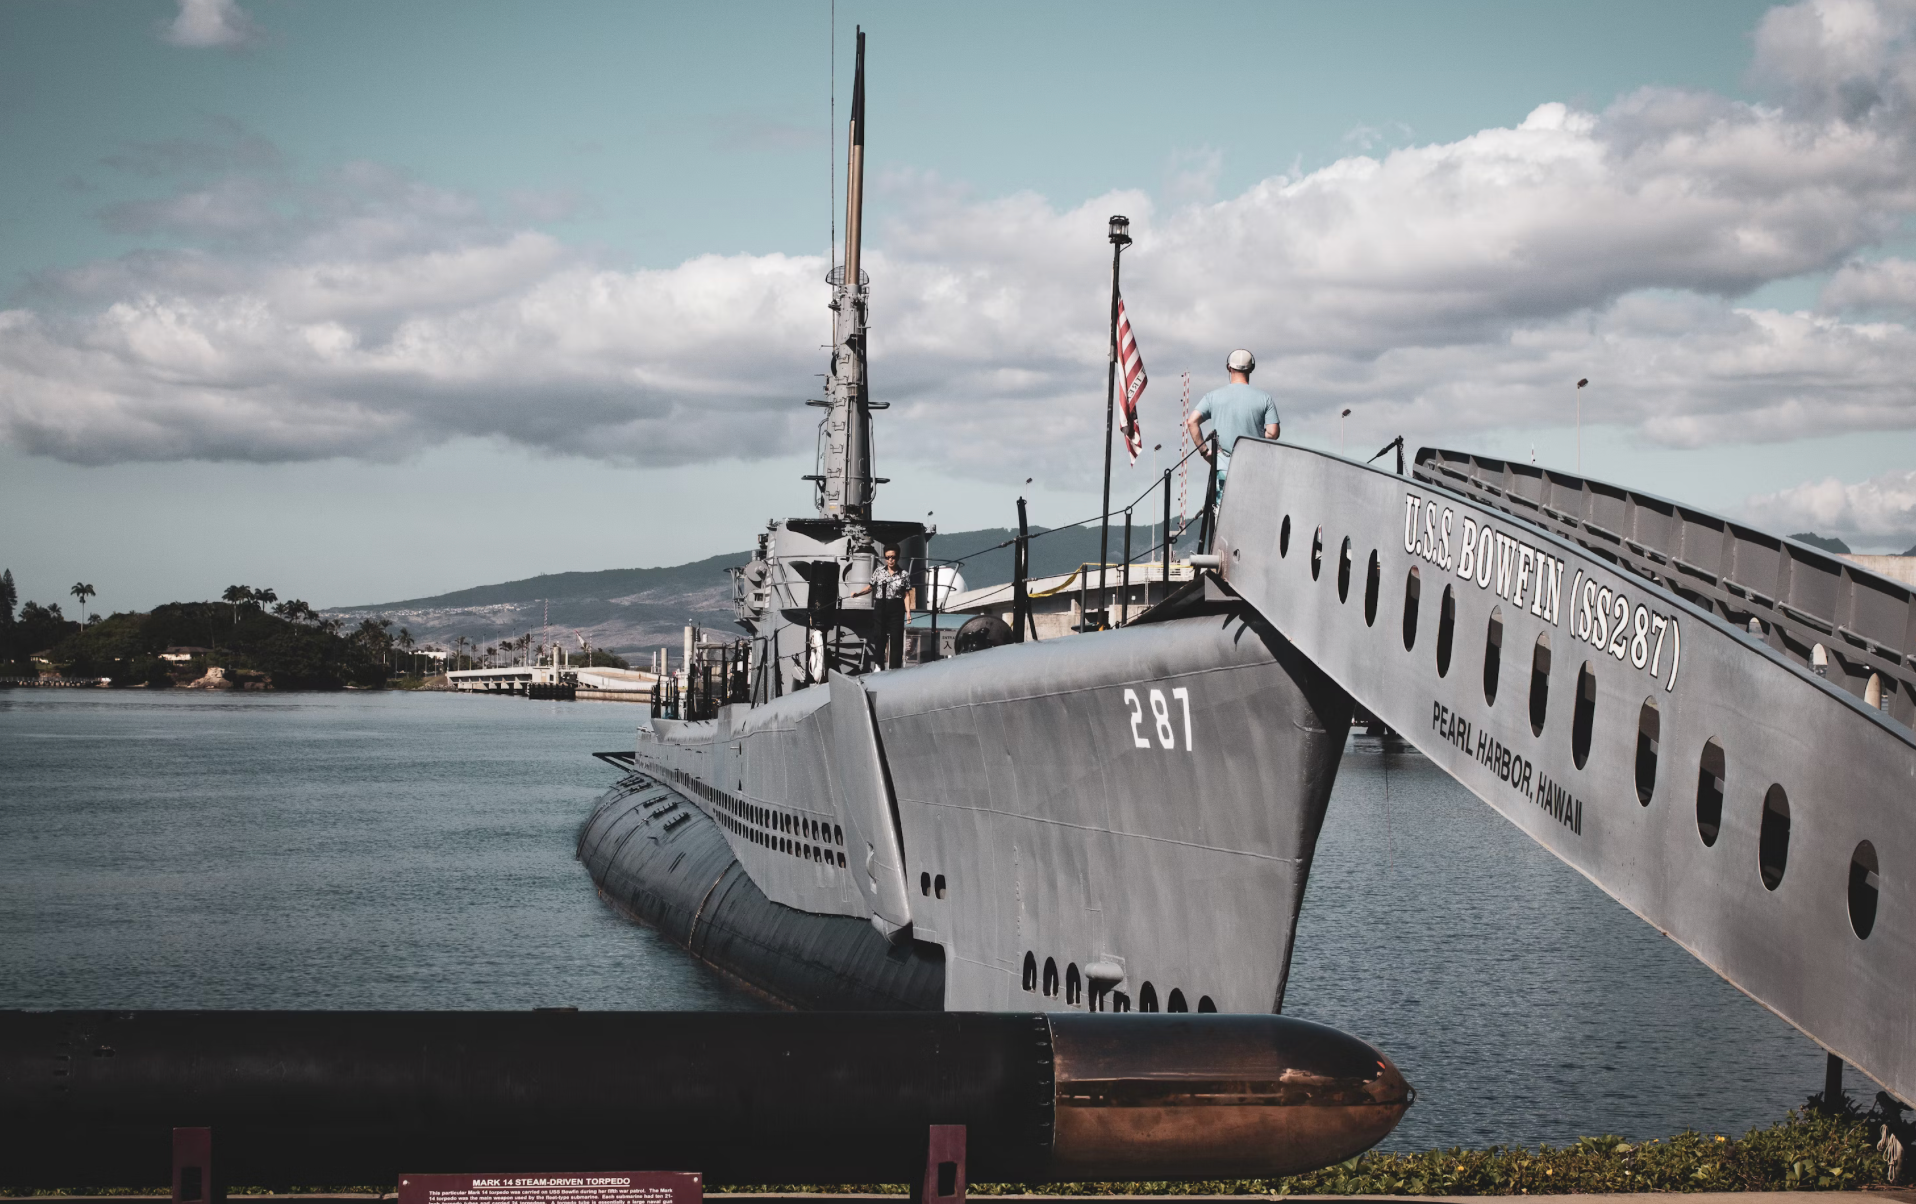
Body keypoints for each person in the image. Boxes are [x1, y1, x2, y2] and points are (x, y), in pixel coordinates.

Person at [1183, 349, 1280, 489]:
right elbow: (1273, 433)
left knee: (1221, 509)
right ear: (1251, 368)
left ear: (1229, 367)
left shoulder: (1212, 397)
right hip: (1255, 467)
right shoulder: (1265, 398)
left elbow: (1192, 422)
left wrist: (1205, 452)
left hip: (1222, 468)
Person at [851, 547, 915, 670]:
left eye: (893, 557)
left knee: (896, 638)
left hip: (896, 605)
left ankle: (895, 667)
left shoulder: (904, 574)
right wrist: (858, 594)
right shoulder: (879, 572)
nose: (890, 560)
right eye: (887, 557)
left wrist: (908, 613)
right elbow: (870, 587)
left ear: (897, 557)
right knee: (879, 635)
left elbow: (906, 594)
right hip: (881, 605)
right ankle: (878, 664)